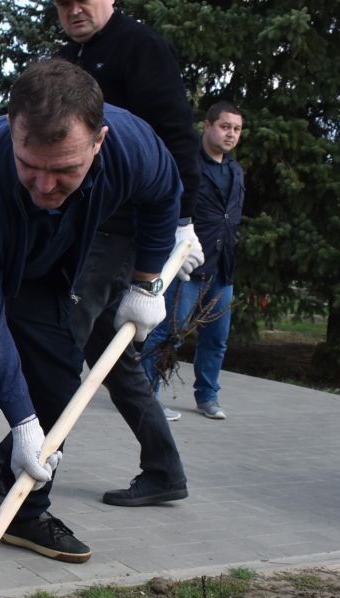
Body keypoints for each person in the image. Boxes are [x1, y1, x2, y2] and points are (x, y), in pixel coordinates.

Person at [0, 59, 181, 598]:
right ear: (12, 130)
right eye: (31, 167)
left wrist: (147, 282)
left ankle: (24, 511)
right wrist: (20, 420)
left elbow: (165, 197)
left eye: (66, 170)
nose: (47, 185)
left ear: (99, 141)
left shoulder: (131, 145)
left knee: (59, 386)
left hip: (41, 261)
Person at [0, 0, 203, 519]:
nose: (74, 8)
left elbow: (177, 136)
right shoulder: (67, 57)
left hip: (118, 225)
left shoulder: (141, 48)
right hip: (81, 220)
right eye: (63, 1)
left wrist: (182, 223)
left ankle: (14, 472)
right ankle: (165, 469)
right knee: (113, 357)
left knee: (58, 339)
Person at [143, 101, 245, 419]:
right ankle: (147, 398)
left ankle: (207, 397)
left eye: (237, 129)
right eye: (225, 126)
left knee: (216, 340)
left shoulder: (235, 170)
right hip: (187, 267)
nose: (231, 134)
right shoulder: (189, 167)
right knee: (167, 333)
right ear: (208, 126)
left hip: (221, 269)